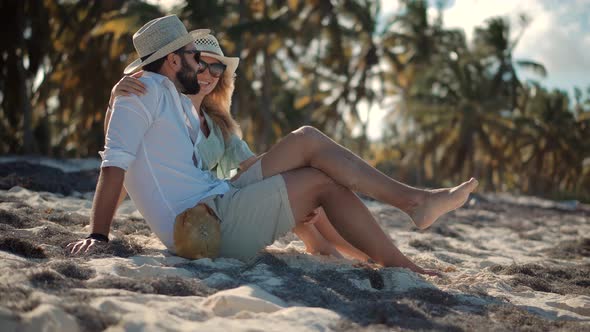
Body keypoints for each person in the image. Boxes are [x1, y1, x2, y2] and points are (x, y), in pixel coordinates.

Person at [67, 15, 478, 277]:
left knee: (311, 149)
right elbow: (116, 164)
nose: (200, 65)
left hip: (219, 197)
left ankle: (408, 224)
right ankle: (411, 217)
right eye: (194, 57)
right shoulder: (139, 94)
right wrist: (99, 235)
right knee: (318, 172)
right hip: (202, 225)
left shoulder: (177, 103)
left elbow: (143, 161)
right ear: (173, 61)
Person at [108, 34, 370, 262]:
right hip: (196, 218)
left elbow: (250, 165)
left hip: (223, 202)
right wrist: (115, 100)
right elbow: (124, 158)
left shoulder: (218, 126)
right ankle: (326, 244)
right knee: (300, 183)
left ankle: (359, 253)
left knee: (306, 185)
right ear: (184, 64)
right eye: (201, 64)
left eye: (217, 68)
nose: (208, 74)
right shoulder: (161, 110)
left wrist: (294, 173)